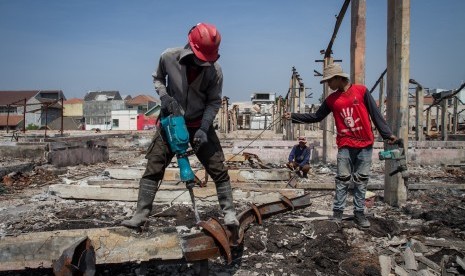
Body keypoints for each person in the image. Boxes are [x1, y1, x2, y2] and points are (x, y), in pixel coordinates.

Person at [121, 23, 239, 229]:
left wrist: (204, 128)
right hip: (171, 122)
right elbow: (157, 78)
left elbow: (213, 101)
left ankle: (229, 213)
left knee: (218, 168)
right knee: (154, 166)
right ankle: (140, 215)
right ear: (190, 47)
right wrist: (164, 96)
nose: (202, 64)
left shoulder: (215, 71)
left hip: (199, 124)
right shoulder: (168, 57)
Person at [283, 63, 398, 228]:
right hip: (345, 144)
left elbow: (375, 114)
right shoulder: (331, 100)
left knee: (361, 181)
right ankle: (337, 214)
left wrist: (387, 134)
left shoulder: (362, 91)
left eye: (329, 81)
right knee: (342, 180)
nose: (328, 85)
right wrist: (293, 116)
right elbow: (316, 116)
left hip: (365, 144)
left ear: (339, 78)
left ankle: (359, 214)